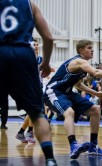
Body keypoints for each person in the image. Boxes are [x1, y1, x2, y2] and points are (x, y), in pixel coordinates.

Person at [44, 40, 102, 159]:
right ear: (81, 51)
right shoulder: (78, 61)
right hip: (54, 91)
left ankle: (93, 146)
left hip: (67, 93)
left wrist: (95, 93)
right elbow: (95, 72)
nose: (92, 50)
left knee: (95, 109)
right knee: (69, 112)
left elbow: (78, 85)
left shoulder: (82, 66)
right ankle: (73, 145)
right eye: (89, 48)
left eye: (92, 48)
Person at [0, 0, 57, 165]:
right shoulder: (29, 4)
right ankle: (50, 160)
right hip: (24, 54)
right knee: (37, 114)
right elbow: (49, 37)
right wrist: (45, 63)